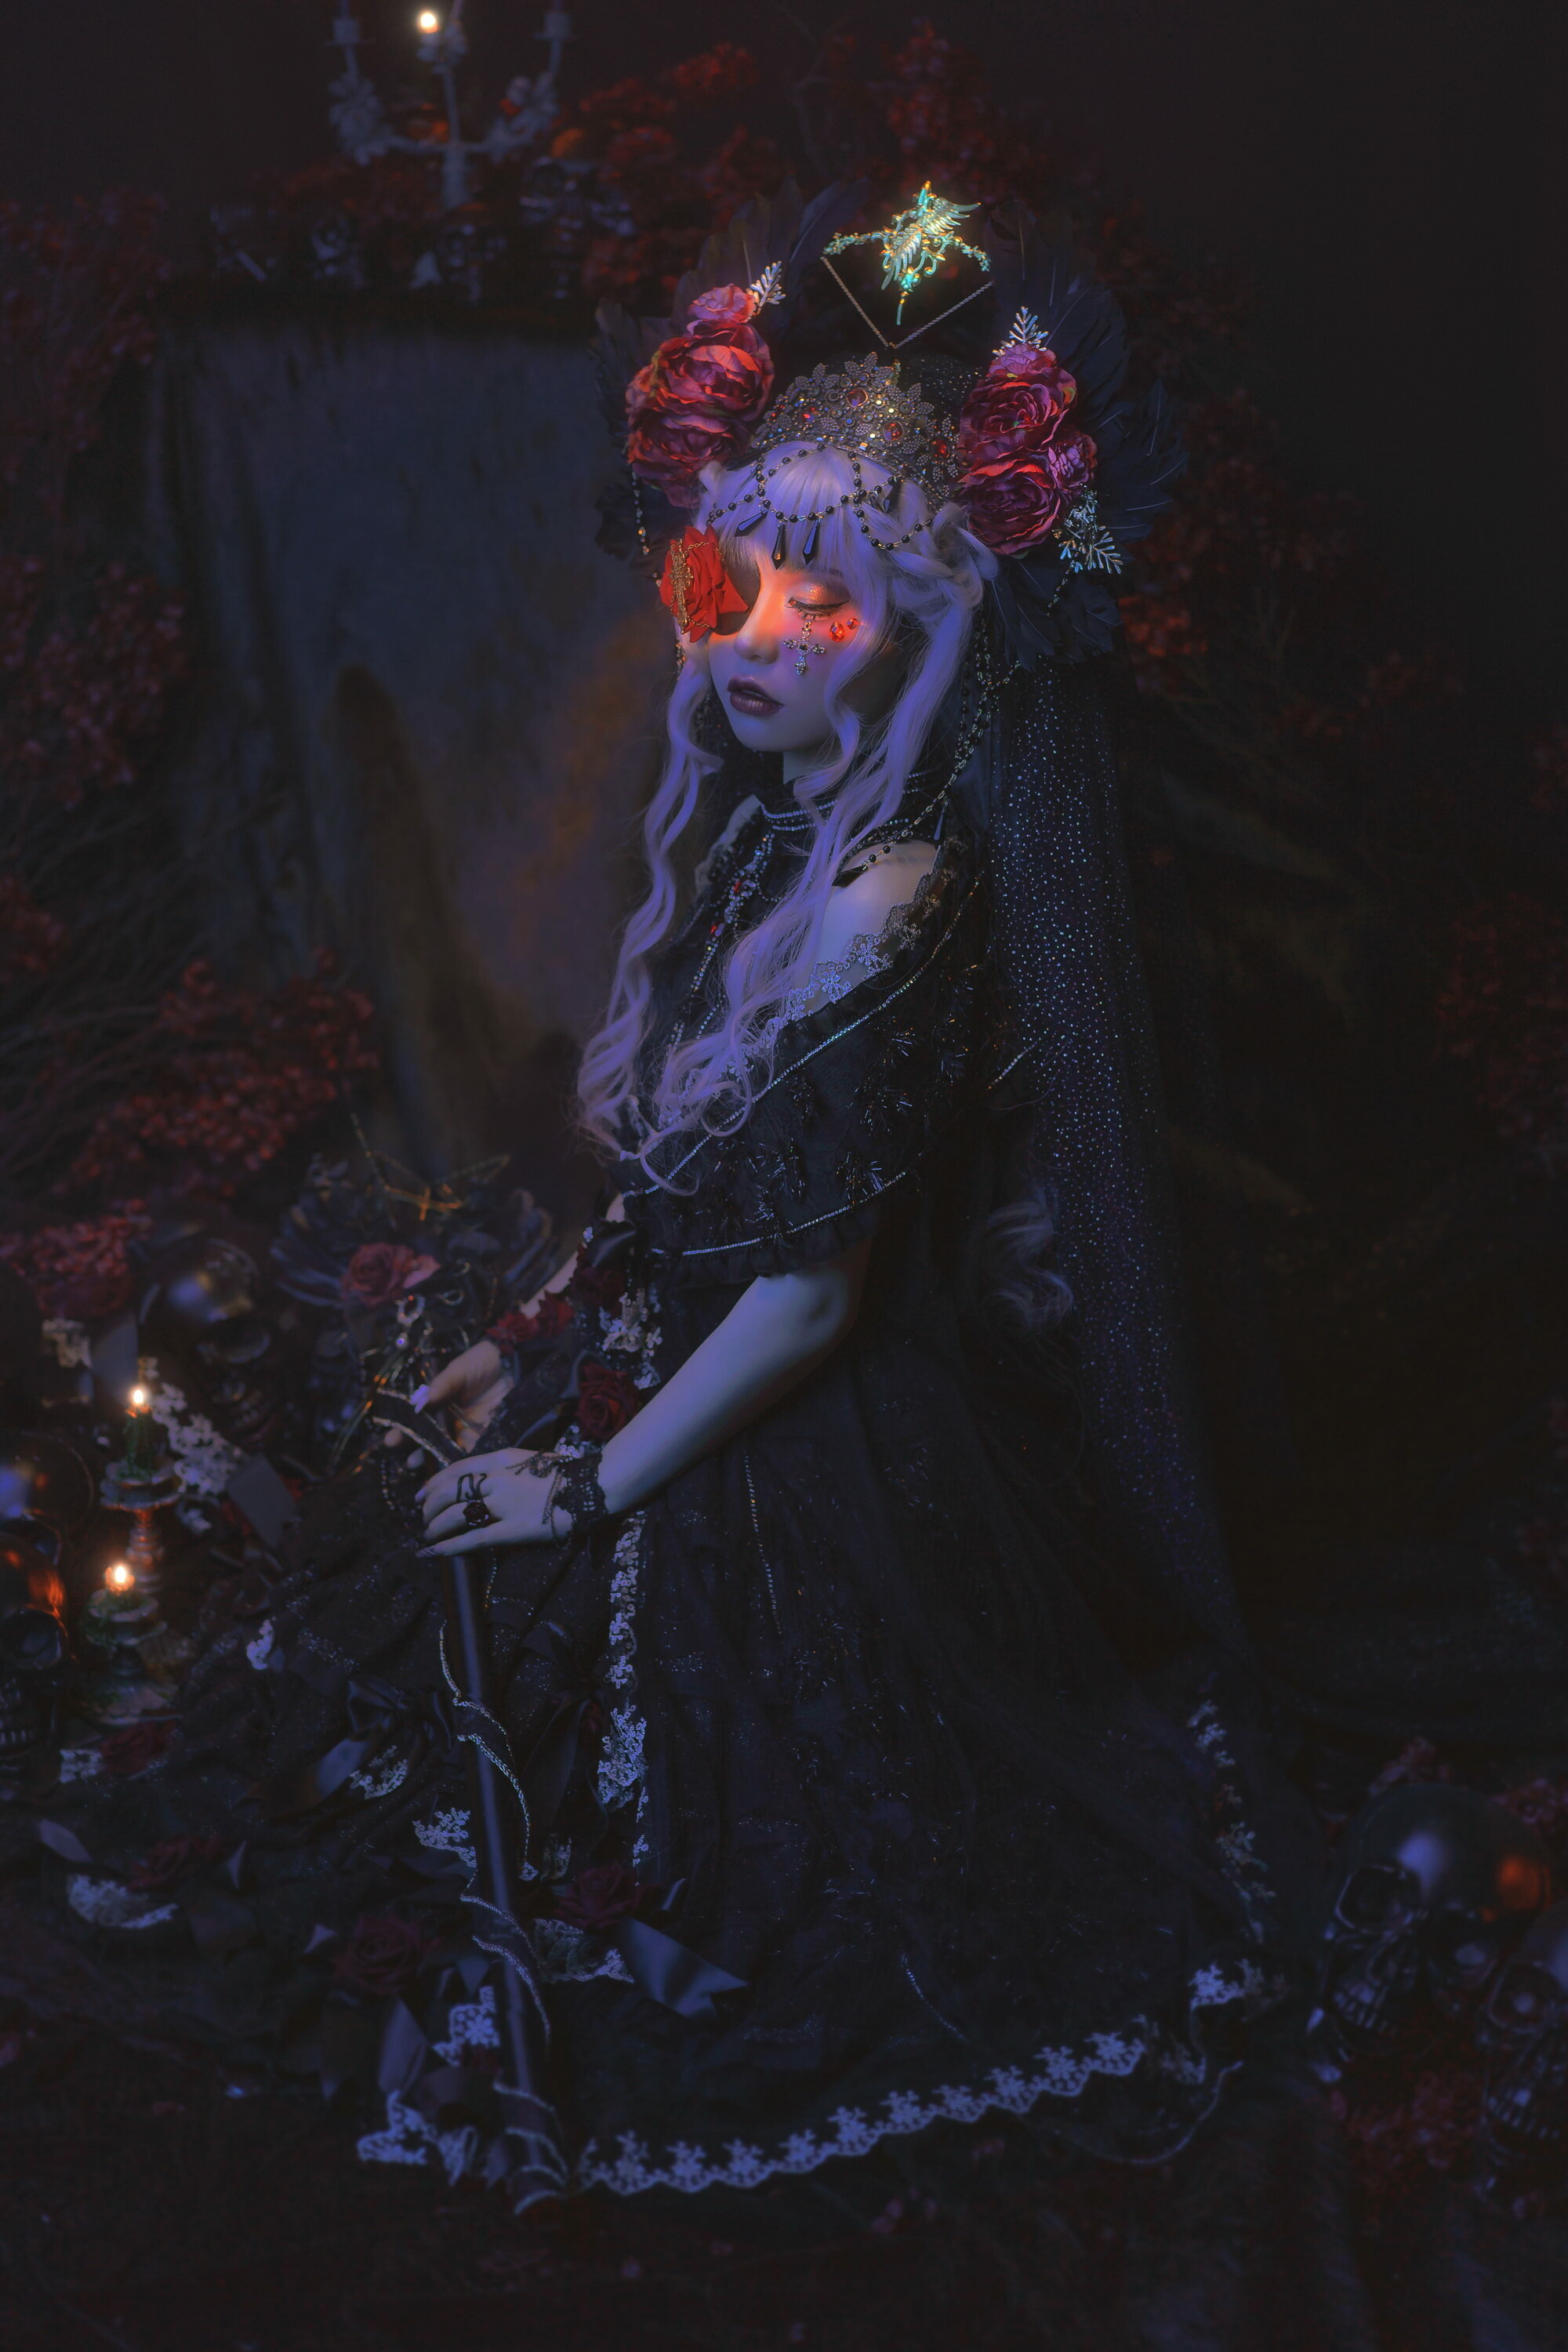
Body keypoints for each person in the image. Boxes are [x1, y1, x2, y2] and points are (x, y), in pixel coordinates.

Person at [45, 206, 1315, 2212]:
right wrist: (525, 1329)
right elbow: (682, 1183)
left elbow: (811, 1300)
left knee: (599, 1717)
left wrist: (586, 1479)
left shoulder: (893, 899)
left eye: (819, 604)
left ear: (922, 628)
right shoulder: (778, 843)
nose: (747, 640)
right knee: (388, 1590)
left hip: (803, 1429)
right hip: (668, 1338)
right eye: (726, 586)